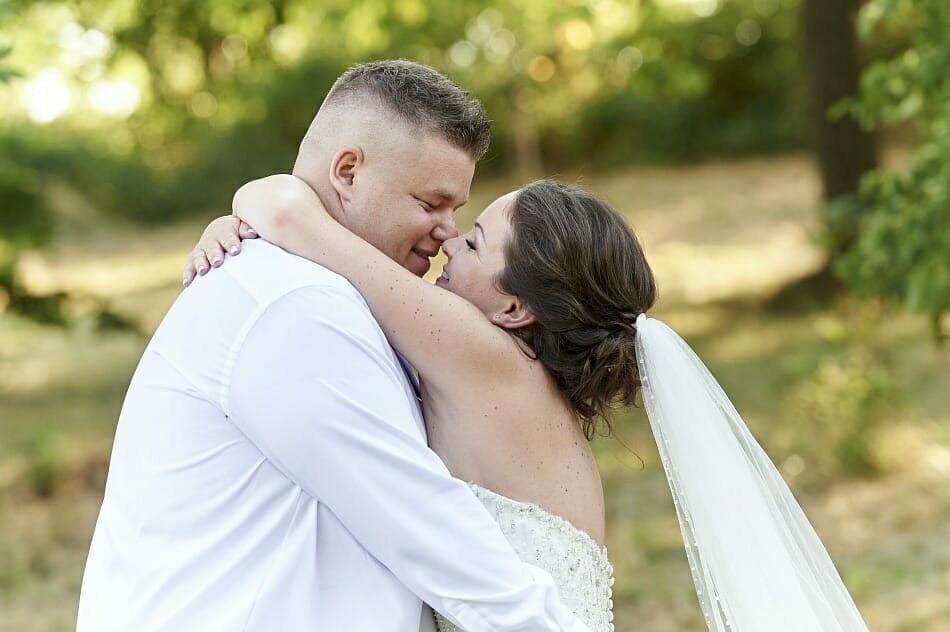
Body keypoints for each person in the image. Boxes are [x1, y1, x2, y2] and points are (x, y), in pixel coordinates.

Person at [186, 173, 871, 631]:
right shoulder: (522, 382)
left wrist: (237, 214)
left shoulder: (476, 351)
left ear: (514, 306)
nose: (450, 240)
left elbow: (286, 212)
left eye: (476, 240)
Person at [78, 61, 592, 632]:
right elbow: (421, 525)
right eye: (430, 204)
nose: (447, 234)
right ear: (347, 171)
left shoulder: (342, 296)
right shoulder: (295, 305)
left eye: (458, 213)